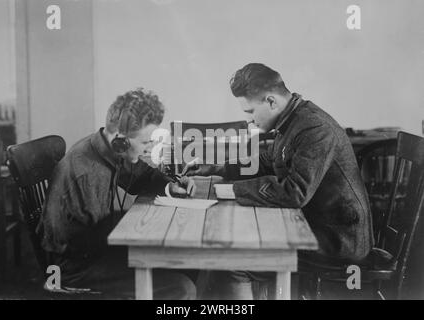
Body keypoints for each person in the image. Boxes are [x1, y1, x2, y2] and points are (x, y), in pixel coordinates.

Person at [186, 63, 374, 299]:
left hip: (338, 241)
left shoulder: (315, 128)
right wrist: (217, 168)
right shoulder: (294, 119)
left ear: (271, 102)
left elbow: (294, 192)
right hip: (312, 225)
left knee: (232, 261)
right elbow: (270, 160)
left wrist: (226, 189)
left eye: (251, 112)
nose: (250, 121)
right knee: (223, 250)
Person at [38, 88, 197, 299]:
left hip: (94, 247)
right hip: (72, 270)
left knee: (186, 261)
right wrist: (142, 237)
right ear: (120, 139)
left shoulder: (107, 147)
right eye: (145, 142)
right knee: (182, 287)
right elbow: (82, 242)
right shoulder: (86, 173)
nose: (149, 148)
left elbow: (141, 176)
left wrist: (171, 186)